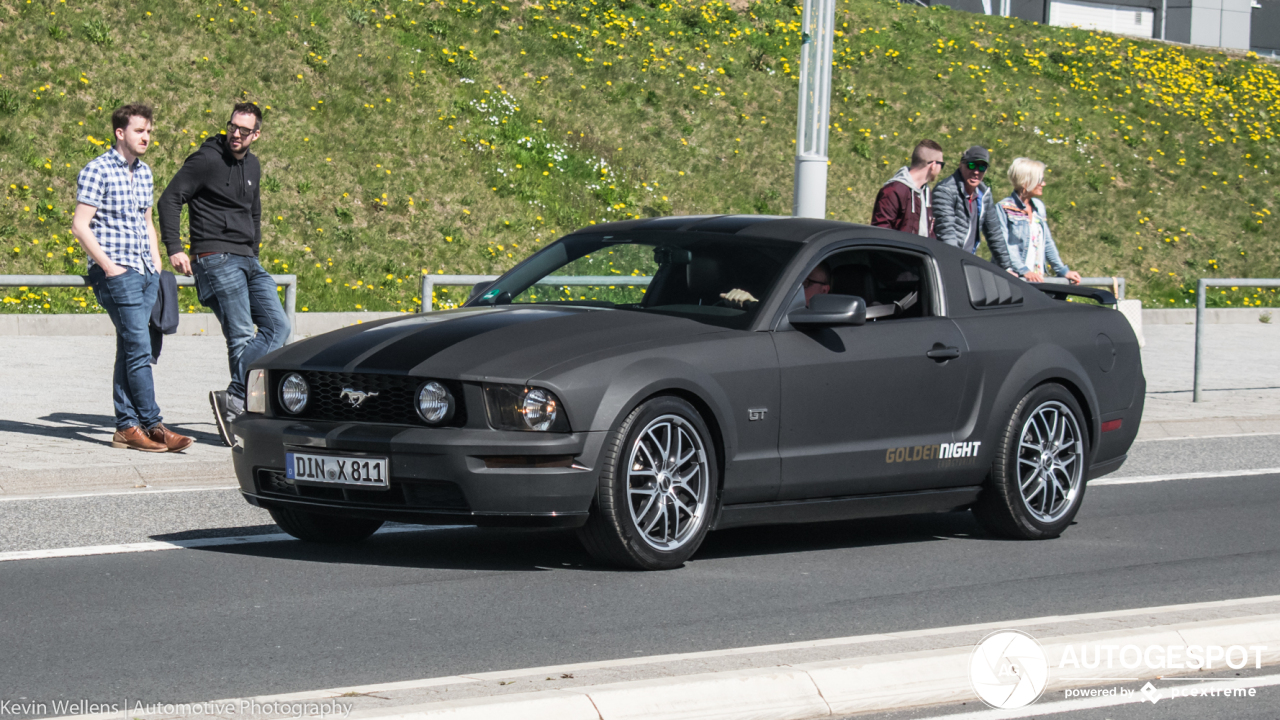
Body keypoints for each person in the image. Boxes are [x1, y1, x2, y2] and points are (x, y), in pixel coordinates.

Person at [159, 102, 290, 447]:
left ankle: (234, 396)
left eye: (244, 131)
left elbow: (254, 211)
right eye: (232, 127)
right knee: (242, 334)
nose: (236, 134)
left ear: (256, 134)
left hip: (248, 258)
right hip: (215, 256)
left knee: (280, 327)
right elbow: (170, 199)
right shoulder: (205, 160)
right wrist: (174, 246)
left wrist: (255, 249)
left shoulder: (254, 165)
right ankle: (240, 410)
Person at [72, 104, 194, 453]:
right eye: (140, 131)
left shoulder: (145, 172)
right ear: (120, 133)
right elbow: (80, 225)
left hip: (145, 271)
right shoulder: (97, 170)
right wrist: (109, 267)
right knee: (138, 348)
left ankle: (126, 427)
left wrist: (156, 263)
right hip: (117, 273)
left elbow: (145, 221)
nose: (146, 137)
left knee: (133, 348)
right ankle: (154, 425)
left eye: (149, 132)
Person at [996, 158, 1082, 285]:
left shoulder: (1038, 207)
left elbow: (1047, 242)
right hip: (1014, 279)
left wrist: (1062, 270)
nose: (1043, 184)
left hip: (1036, 279)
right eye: (1040, 180)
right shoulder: (1004, 208)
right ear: (1026, 182)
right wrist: (1024, 271)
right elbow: (1002, 245)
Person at [932, 146, 1013, 271]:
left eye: (982, 167)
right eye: (971, 165)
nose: (976, 172)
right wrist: (956, 263)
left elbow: (994, 234)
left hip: (965, 263)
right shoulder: (945, 190)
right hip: (944, 263)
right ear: (961, 165)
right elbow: (946, 233)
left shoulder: (984, 194)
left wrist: (1007, 268)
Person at [870, 140, 944, 237]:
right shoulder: (893, 191)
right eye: (941, 165)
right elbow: (880, 233)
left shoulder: (926, 193)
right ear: (933, 165)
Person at [720, 262, 830, 308]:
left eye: (805, 282)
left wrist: (753, 305)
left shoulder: (825, 320)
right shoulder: (775, 299)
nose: (796, 287)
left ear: (824, 291)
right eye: (794, 280)